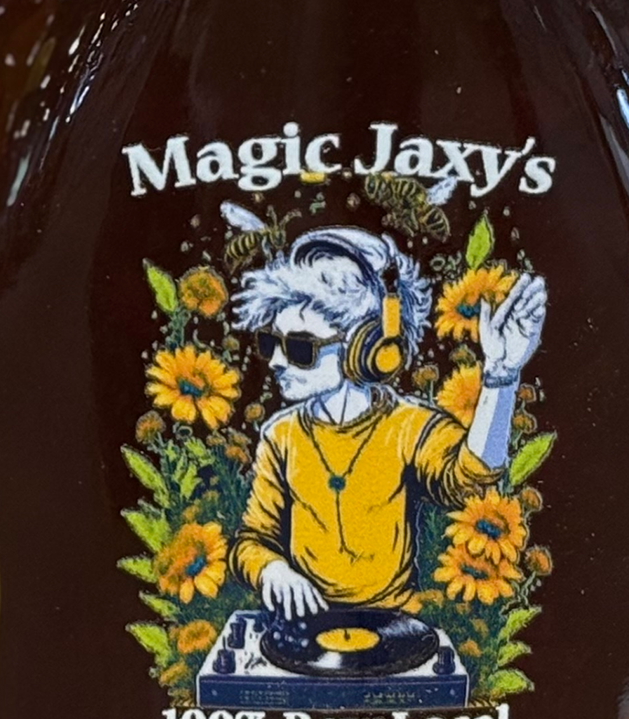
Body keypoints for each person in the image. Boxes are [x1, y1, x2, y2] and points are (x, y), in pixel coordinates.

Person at [230, 226, 546, 617]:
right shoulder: (280, 436)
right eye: (270, 342)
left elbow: (472, 477)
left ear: (366, 349)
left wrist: (501, 376)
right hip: (302, 627)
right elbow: (252, 540)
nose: (276, 361)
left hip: (394, 626)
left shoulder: (409, 426)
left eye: (299, 347)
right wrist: (271, 569)